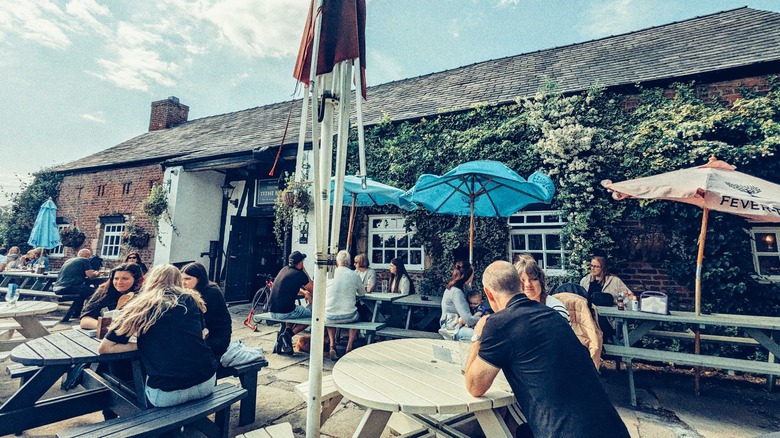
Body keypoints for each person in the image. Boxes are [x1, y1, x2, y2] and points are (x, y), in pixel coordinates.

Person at [464, 261, 629, 438]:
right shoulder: (552, 315)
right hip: (612, 428)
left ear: (489, 293)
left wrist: (477, 336)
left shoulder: (499, 324)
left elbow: (474, 386)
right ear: (520, 285)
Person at [98, 264, 217, 408]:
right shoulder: (192, 300)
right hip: (207, 383)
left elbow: (105, 348)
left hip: (166, 393)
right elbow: (200, 334)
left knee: (117, 384)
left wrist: (144, 344)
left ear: (151, 280)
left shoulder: (142, 305)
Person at [263, 251, 314, 355]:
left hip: (272, 310)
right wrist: (304, 271)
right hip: (284, 312)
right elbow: (313, 288)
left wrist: (304, 292)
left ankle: (286, 341)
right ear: (300, 263)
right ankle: (288, 335)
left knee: (293, 310)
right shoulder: (299, 274)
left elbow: (289, 285)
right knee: (314, 315)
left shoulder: (284, 270)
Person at [180, 262, 232, 359]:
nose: (183, 283)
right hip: (202, 335)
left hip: (216, 339)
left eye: (187, 279)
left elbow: (200, 321)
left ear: (199, 279)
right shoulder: (189, 293)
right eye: (182, 279)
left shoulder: (211, 293)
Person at [325, 250, 366, 360]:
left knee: (329, 313)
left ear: (337, 262)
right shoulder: (354, 275)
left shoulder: (329, 275)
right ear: (348, 263)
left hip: (329, 317)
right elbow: (362, 293)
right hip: (349, 316)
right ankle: (349, 346)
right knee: (357, 315)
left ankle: (332, 345)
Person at [80, 263, 144, 329]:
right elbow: (84, 320)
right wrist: (107, 328)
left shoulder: (143, 295)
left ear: (136, 280)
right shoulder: (103, 291)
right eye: (116, 278)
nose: (119, 282)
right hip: (104, 333)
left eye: (125, 279)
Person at [513, 258, 570, 323]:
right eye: (522, 280)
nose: (528, 284)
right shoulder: (512, 309)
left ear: (541, 281)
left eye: (533, 279)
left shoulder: (556, 311)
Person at [53, 249, 99, 321]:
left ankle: (76, 313)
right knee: (96, 292)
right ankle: (92, 313)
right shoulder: (85, 260)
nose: (90, 258)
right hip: (68, 287)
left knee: (83, 293)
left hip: (57, 288)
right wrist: (96, 274)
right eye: (90, 256)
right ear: (87, 255)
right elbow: (90, 275)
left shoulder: (68, 261)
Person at [439, 261, 480, 340]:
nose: (473, 275)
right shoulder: (456, 292)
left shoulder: (465, 287)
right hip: (452, 327)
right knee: (478, 335)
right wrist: (483, 319)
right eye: (472, 273)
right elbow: (468, 319)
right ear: (468, 275)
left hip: (463, 323)